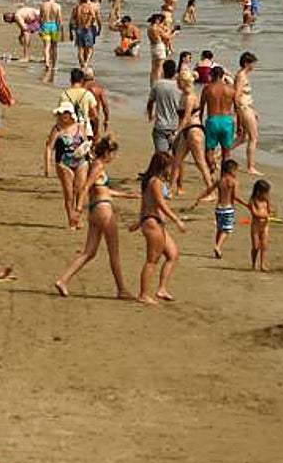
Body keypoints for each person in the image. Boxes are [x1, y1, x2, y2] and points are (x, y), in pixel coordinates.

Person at [54, 135, 133, 299]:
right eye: (113, 153)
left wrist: (127, 195)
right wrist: (77, 210)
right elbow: (85, 187)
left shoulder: (94, 165)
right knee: (114, 252)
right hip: (103, 210)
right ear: (107, 153)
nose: (114, 157)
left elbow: (101, 189)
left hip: (95, 210)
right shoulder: (98, 166)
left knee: (89, 253)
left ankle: (63, 280)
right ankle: (122, 289)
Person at [131, 151, 185, 304]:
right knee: (152, 260)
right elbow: (160, 204)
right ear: (163, 167)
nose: (170, 170)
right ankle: (143, 294)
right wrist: (177, 220)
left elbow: (145, 202)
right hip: (153, 223)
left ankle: (162, 288)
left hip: (154, 222)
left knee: (173, 254)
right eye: (169, 166)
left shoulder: (151, 180)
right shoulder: (155, 182)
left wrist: (139, 220)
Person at [44, 103, 90, 229]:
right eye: (60, 113)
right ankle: (71, 219)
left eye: (65, 113)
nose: (62, 115)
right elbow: (49, 147)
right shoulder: (57, 129)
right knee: (69, 194)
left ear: (71, 114)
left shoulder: (80, 128)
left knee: (80, 191)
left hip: (81, 162)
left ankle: (77, 217)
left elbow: (86, 143)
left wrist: (89, 153)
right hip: (64, 163)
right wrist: (48, 166)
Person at [170, 71, 213, 197]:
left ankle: (211, 191)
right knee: (176, 161)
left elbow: (187, 117)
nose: (177, 84)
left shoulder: (190, 97)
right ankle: (170, 190)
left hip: (194, 131)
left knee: (200, 162)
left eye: (179, 81)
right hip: (186, 132)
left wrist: (176, 133)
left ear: (184, 82)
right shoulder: (183, 95)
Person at [201, 159, 246, 258]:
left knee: (219, 228)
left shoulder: (219, 180)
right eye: (236, 171)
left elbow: (209, 190)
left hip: (218, 208)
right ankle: (218, 246)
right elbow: (235, 196)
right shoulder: (234, 182)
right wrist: (247, 204)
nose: (237, 173)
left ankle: (218, 248)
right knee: (226, 230)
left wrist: (200, 197)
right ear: (232, 171)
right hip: (228, 208)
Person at [199, 66, 236, 169]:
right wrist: (240, 125)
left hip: (212, 120)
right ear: (223, 75)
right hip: (227, 121)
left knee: (209, 150)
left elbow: (201, 108)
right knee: (226, 153)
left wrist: (200, 123)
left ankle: (212, 166)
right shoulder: (230, 89)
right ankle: (223, 176)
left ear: (212, 75)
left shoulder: (207, 88)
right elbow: (237, 109)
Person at [146, 59, 183, 154]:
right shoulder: (180, 86)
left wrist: (150, 115)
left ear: (163, 70)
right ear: (175, 71)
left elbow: (150, 103)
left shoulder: (157, 84)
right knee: (177, 158)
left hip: (161, 126)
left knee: (161, 158)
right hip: (176, 127)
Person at [234, 52, 261, 175]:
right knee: (253, 138)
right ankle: (250, 167)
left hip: (246, 108)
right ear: (246, 63)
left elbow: (245, 96)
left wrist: (253, 110)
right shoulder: (241, 76)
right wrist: (240, 113)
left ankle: (218, 156)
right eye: (253, 63)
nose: (254, 66)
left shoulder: (243, 75)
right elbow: (237, 96)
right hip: (244, 109)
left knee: (241, 138)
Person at [245, 179, 273, 272]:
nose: (266, 195)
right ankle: (253, 264)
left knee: (264, 246)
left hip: (265, 226)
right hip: (256, 227)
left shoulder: (267, 200)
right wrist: (266, 216)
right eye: (265, 193)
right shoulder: (253, 200)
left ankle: (262, 264)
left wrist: (270, 214)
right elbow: (254, 213)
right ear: (258, 191)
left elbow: (270, 210)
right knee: (255, 246)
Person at [39, 0, 63, 78]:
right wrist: (61, 30)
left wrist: (40, 28)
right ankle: (54, 65)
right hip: (54, 26)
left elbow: (40, 18)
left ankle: (47, 63)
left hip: (45, 25)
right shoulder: (57, 6)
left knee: (46, 47)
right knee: (54, 47)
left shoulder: (43, 5)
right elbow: (59, 19)